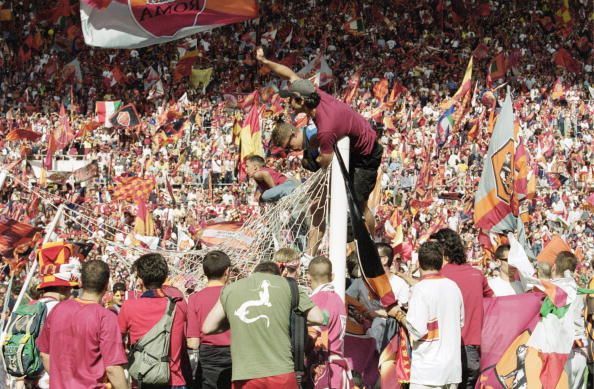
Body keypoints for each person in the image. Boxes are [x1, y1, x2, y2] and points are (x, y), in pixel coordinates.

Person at [257, 47, 383, 233]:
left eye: (291, 99)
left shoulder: (326, 128)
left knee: (358, 206)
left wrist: (316, 160)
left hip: (366, 156)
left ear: (301, 101)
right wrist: (266, 62)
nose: (288, 103)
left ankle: (369, 241)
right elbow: (289, 74)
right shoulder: (314, 94)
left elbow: (326, 161)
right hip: (353, 144)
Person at [202, 261, 327, 388]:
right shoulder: (290, 286)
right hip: (281, 371)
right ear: (278, 274)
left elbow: (207, 327)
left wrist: (236, 321)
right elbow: (318, 317)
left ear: (254, 273)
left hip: (245, 374)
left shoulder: (230, 289)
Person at [36, 260, 128, 389]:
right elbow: (112, 367)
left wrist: (62, 381)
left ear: (80, 282)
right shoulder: (106, 317)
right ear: (106, 285)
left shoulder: (59, 309)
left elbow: (44, 354)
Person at [392, 241, 464, 389]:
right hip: (451, 369)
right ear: (441, 262)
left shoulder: (420, 290)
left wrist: (398, 314)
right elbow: (460, 322)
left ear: (419, 263)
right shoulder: (453, 286)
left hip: (428, 370)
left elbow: (417, 330)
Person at [431, 228, 493, 389]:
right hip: (471, 351)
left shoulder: (437, 277)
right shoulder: (477, 275)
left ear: (442, 251)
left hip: (442, 349)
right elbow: (492, 301)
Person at [118, 253, 190, 388]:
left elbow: (117, 342)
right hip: (174, 381)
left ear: (140, 279)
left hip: (142, 379)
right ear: (164, 276)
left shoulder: (129, 306)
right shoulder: (180, 305)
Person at [346, 242, 409, 352]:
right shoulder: (361, 281)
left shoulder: (400, 284)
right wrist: (358, 313)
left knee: (379, 322)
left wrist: (378, 314)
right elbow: (346, 299)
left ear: (384, 260)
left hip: (388, 335)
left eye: (371, 257)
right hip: (362, 330)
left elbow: (403, 313)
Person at [187, 250, 232, 389]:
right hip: (235, 354)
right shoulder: (234, 294)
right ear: (227, 271)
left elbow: (193, 342)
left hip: (208, 357)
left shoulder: (194, 299)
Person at [306, 256, 352, 389]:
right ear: (332, 276)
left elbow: (314, 336)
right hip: (337, 369)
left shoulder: (318, 300)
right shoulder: (337, 299)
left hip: (324, 372)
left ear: (308, 277)